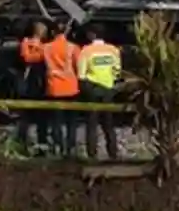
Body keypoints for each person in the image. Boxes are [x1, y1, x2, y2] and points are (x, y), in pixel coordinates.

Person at [77, 25, 121, 161]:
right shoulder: (113, 50)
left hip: (93, 89)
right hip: (108, 89)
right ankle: (113, 153)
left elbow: (81, 75)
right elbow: (117, 71)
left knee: (92, 124)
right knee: (109, 123)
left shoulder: (86, 51)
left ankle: (92, 154)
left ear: (92, 35)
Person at [41, 24, 81, 158]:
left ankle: (57, 146)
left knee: (56, 120)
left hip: (54, 87)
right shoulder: (73, 47)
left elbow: (31, 58)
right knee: (71, 121)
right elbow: (79, 65)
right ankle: (71, 148)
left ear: (52, 32)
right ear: (66, 31)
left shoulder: (46, 48)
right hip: (71, 88)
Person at [15, 21, 50, 151]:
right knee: (30, 116)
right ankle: (25, 142)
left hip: (35, 85)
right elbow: (27, 59)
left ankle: (36, 142)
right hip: (32, 85)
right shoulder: (33, 45)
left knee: (31, 116)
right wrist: (41, 53)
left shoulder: (28, 44)